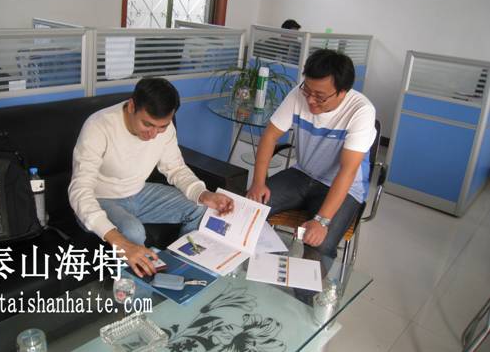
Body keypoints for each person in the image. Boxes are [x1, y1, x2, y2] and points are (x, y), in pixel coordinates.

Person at [69, 78, 234, 277]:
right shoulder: (99, 126)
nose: (154, 134)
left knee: (201, 207)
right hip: (100, 198)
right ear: (132, 106)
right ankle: (132, 290)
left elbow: (175, 168)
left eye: (162, 126)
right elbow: (80, 190)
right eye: (147, 124)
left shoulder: (165, 129)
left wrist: (204, 194)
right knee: (133, 231)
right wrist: (121, 243)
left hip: (139, 192)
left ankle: (183, 268)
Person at [247, 49, 376, 259]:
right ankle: (253, 270)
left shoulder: (361, 111)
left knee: (320, 244)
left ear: (343, 92)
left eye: (320, 96)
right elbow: (270, 136)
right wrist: (258, 182)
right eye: (308, 91)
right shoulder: (299, 94)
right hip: (302, 174)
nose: (311, 100)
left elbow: (348, 170)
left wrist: (321, 221)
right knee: (248, 210)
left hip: (342, 187)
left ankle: (308, 282)